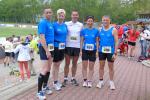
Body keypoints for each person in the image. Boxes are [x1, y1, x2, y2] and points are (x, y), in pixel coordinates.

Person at [97, 15, 118, 90]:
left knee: (111, 67)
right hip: (101, 51)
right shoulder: (99, 29)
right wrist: (97, 49)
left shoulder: (113, 29)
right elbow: (97, 40)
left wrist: (115, 52)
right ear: (102, 21)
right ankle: (100, 81)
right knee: (101, 66)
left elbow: (116, 41)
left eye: (107, 20)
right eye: (104, 20)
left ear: (109, 21)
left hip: (111, 52)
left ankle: (111, 82)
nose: (105, 21)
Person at [62, 10, 83, 86]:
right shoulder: (66, 24)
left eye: (76, 15)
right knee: (67, 63)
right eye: (73, 15)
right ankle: (65, 79)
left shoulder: (80, 25)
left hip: (76, 47)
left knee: (74, 63)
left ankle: (73, 78)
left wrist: (81, 49)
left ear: (78, 16)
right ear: (71, 16)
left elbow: (81, 37)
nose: (75, 16)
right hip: (68, 46)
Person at [37, 8, 54, 100]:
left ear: (52, 14)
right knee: (44, 69)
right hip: (45, 48)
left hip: (51, 47)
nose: (48, 14)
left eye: (50, 12)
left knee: (48, 68)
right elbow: (42, 37)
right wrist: (47, 50)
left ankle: (45, 86)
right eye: (47, 12)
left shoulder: (50, 23)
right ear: (44, 14)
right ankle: (39, 92)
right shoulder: (43, 23)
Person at [80, 16, 99, 88]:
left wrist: (97, 51)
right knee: (84, 66)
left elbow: (97, 41)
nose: (90, 22)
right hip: (85, 50)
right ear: (86, 22)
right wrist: (81, 51)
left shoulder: (96, 31)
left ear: (93, 22)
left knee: (91, 67)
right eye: (88, 21)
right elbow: (81, 41)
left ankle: (89, 81)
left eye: (91, 21)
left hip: (93, 51)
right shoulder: (83, 31)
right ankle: (85, 80)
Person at [52, 9, 68, 91]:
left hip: (62, 46)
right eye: (59, 14)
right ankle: (55, 82)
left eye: (62, 14)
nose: (61, 16)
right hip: (56, 46)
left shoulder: (65, 25)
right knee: (56, 64)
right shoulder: (54, 25)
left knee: (58, 64)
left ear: (64, 16)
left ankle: (55, 81)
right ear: (57, 15)